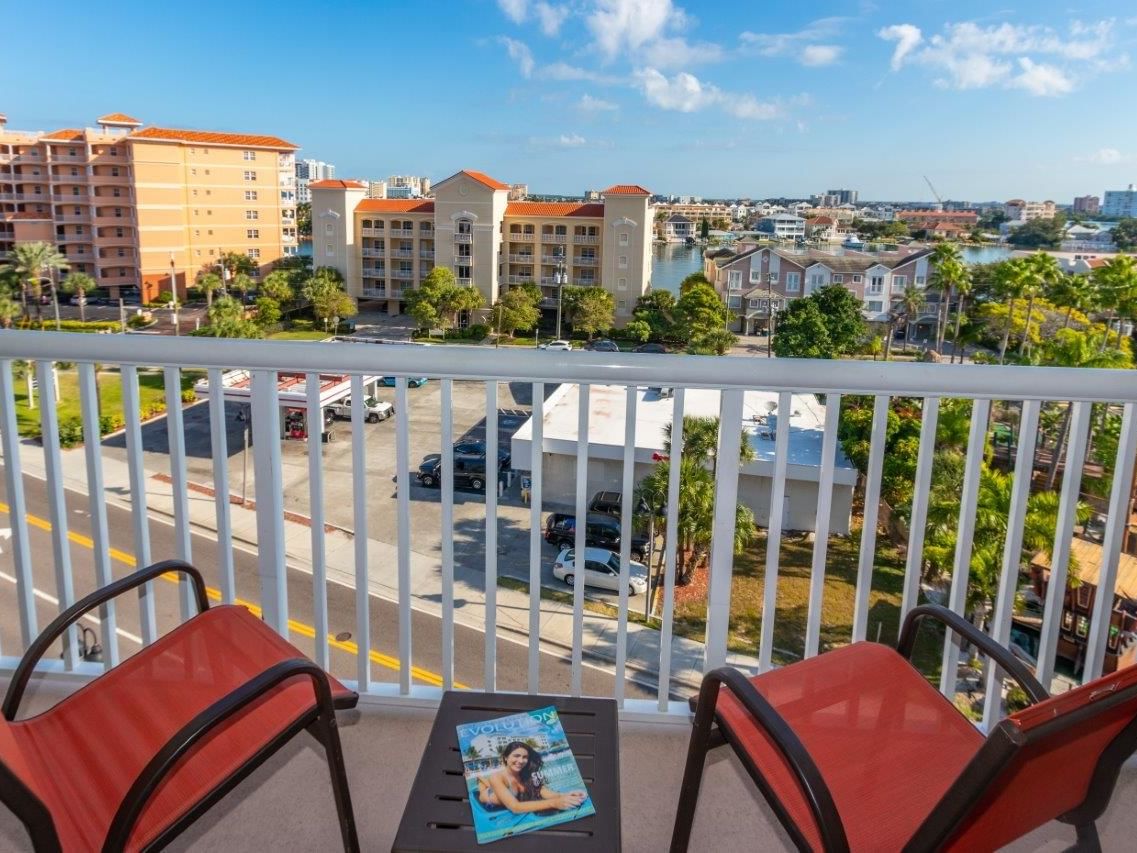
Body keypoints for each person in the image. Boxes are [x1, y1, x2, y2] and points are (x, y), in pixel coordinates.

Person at [476, 741, 586, 814]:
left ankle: (484, 781)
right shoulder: (496, 777)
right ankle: (480, 779)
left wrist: (563, 795)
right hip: (489, 798)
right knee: (484, 790)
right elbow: (515, 807)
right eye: (516, 756)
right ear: (506, 758)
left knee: (495, 787)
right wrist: (555, 803)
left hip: (502, 790)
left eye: (525, 757)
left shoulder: (526, 773)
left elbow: (542, 790)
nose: (521, 761)